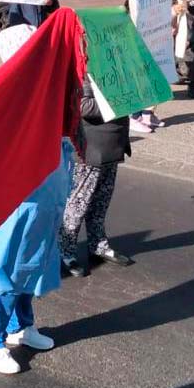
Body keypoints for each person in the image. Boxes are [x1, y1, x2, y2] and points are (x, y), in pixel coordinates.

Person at [0, 138, 72, 374]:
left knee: (34, 261)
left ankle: (19, 327)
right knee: (11, 262)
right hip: (23, 177)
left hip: (49, 177)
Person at [59, 76, 133, 278]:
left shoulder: (118, 66)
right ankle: (66, 252)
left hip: (113, 145)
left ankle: (98, 245)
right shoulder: (85, 69)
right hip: (91, 149)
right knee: (78, 204)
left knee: (100, 203)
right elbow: (83, 106)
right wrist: (121, 100)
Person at [125, 0, 168, 133]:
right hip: (140, 40)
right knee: (139, 78)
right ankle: (133, 115)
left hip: (154, 40)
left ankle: (147, 113)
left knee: (153, 78)